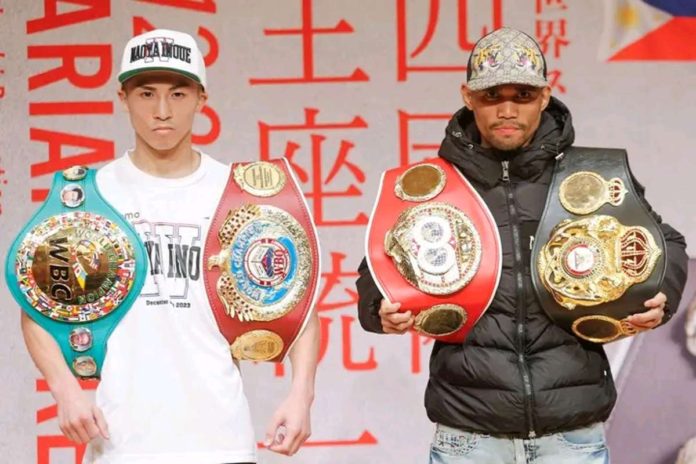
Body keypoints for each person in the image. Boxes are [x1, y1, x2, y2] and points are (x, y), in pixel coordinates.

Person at [356, 27, 688, 463]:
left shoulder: (590, 178)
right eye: (492, 96)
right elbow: (377, 270)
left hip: (571, 434)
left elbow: (667, 245)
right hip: (469, 436)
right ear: (468, 97)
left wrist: (661, 297)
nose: (507, 110)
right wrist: (380, 309)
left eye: (523, 96)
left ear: (546, 96)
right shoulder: (435, 186)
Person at [20, 29, 319, 464]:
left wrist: (301, 395)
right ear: (123, 98)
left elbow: (298, 299)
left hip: (221, 440)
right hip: (119, 443)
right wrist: (64, 390)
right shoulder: (91, 195)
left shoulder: (235, 193)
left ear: (201, 99)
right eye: (146, 93)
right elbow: (37, 307)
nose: (162, 111)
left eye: (178, 94)